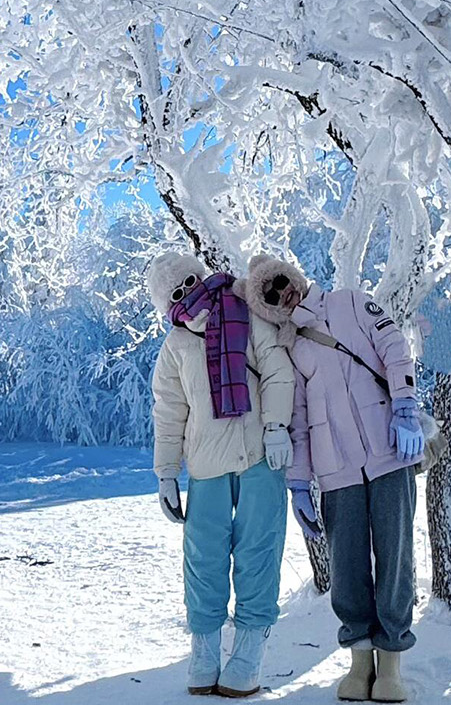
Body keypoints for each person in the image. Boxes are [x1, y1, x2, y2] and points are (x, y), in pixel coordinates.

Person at [245, 253, 424, 704]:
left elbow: (394, 346)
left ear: (293, 275)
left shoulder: (350, 302)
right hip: (335, 471)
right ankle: (360, 661)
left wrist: (404, 404)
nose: (281, 293)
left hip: (389, 453)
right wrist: (299, 484)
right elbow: (298, 420)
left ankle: (391, 662)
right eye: (269, 295)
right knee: (347, 567)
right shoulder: (290, 347)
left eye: (281, 281)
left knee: (395, 558)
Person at [148, 250, 296, 697]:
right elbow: (168, 412)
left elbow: (277, 372)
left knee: (258, 553)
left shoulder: (246, 313)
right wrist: (166, 473)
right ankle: (205, 653)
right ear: (168, 305)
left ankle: (248, 653)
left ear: (201, 276)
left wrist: (276, 427)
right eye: (176, 293)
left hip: (259, 458)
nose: (188, 294)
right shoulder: (175, 346)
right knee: (203, 560)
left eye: (190, 281)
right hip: (206, 465)